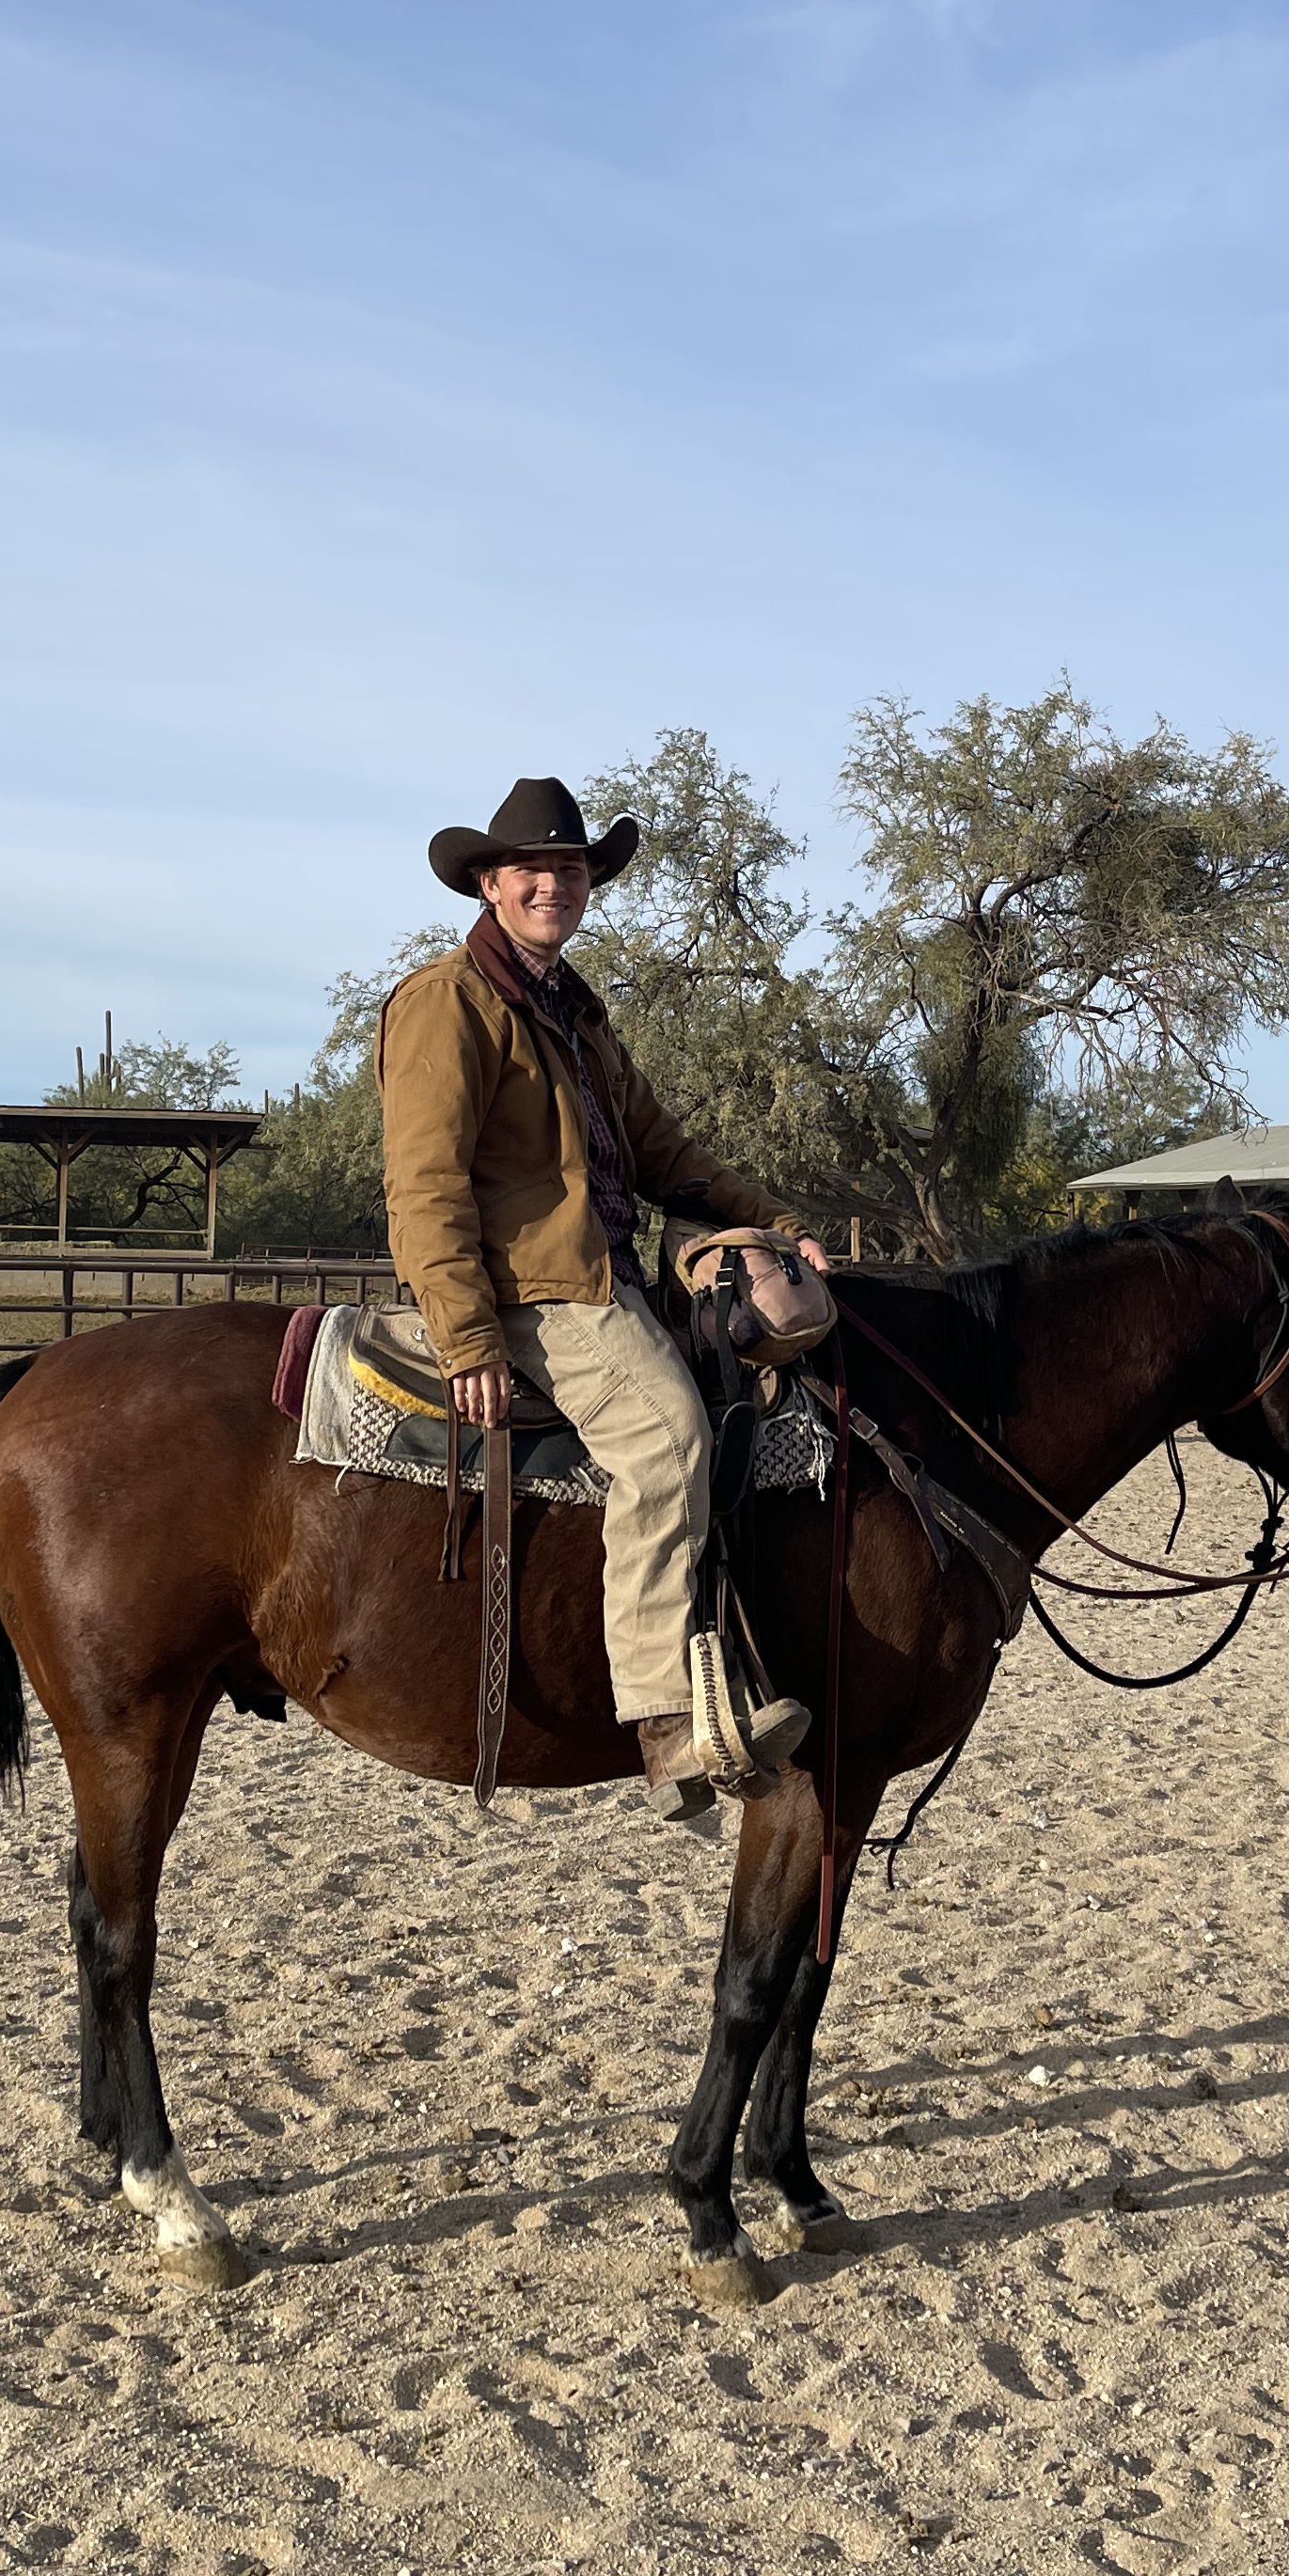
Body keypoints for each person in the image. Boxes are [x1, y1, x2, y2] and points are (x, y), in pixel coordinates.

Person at [376, 775, 829, 1812]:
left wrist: (782, 1223)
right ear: (489, 885)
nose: (554, 885)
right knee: (668, 1436)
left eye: (570, 869)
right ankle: (671, 1720)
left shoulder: (576, 1015)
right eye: (532, 869)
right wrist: (468, 1339)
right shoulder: (448, 1004)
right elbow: (425, 1182)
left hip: (611, 1274)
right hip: (543, 1291)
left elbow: (668, 1154)